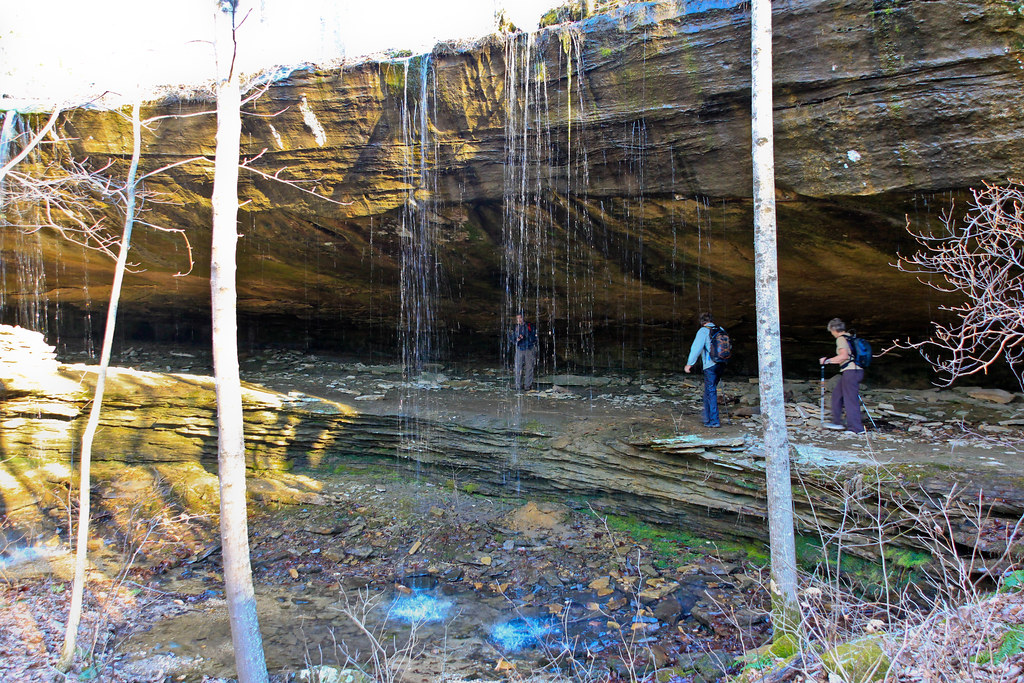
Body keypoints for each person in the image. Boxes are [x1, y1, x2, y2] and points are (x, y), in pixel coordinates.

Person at [818, 317, 864, 433]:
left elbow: (843, 356)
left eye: (831, 331)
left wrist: (827, 361)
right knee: (837, 395)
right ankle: (837, 423)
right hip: (853, 371)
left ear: (834, 329)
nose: (831, 334)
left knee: (850, 399)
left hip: (851, 372)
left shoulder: (841, 339)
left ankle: (856, 429)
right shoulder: (850, 337)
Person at [684, 312, 724, 428]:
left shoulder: (703, 331)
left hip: (710, 365)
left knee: (710, 391)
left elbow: (696, 348)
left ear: (702, 322)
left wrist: (689, 364)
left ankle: (714, 421)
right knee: (709, 390)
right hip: (721, 363)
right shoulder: (720, 329)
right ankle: (707, 418)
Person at [509, 312, 538, 391]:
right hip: (519, 348)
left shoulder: (529, 326)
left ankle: (527, 385)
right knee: (518, 367)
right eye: (517, 318)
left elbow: (534, 337)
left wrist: (526, 337)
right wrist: (516, 340)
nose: (519, 320)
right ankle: (518, 384)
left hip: (529, 348)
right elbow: (511, 337)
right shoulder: (515, 327)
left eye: (520, 318)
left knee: (529, 367)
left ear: (523, 318)